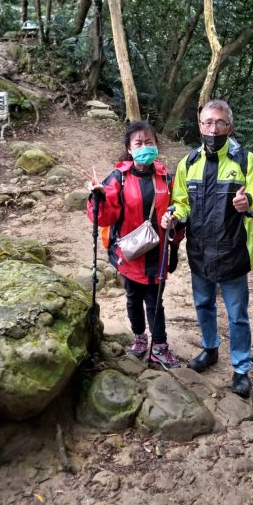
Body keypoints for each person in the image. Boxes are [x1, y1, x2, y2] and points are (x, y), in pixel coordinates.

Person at [161, 99, 253, 398]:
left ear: (230, 127)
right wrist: (175, 214)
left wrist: (249, 204)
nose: (213, 128)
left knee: (237, 314)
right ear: (199, 126)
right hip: (200, 249)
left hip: (233, 249)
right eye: (207, 122)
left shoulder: (245, 161)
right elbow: (182, 202)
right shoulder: (188, 163)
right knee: (203, 305)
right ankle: (210, 349)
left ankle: (241, 368)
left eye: (220, 123)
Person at [87, 122, 182, 369]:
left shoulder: (166, 178)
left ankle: (159, 346)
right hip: (129, 253)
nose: (144, 147)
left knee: (155, 300)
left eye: (149, 142)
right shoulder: (118, 178)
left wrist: (175, 226)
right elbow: (104, 218)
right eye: (138, 143)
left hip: (157, 252)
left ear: (156, 145)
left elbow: (178, 210)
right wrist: (97, 197)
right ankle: (140, 339)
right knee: (132, 298)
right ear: (129, 149)